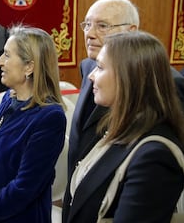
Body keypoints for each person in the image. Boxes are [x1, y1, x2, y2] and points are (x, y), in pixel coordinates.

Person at [63, 31, 184, 222]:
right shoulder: (118, 126)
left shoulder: (155, 155)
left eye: (100, 68)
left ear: (130, 77)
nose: (91, 76)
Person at [66, 0, 184, 179]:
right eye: (87, 24)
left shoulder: (167, 82)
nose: (89, 33)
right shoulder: (88, 66)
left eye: (102, 26)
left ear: (131, 31)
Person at [0, 25, 67, 222]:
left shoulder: (50, 117)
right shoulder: (7, 100)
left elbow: (25, 187)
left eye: (6, 55)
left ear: (29, 67)